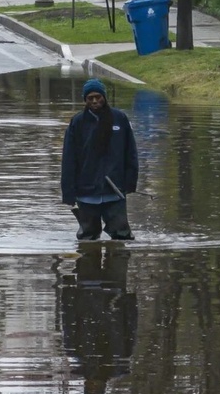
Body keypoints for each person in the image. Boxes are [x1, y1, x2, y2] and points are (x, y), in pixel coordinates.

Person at [61, 79, 138, 240]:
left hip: (115, 191)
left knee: (122, 236)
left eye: (98, 97)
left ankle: (118, 255)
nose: (95, 101)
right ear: (85, 100)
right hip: (86, 191)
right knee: (88, 238)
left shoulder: (120, 119)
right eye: (90, 98)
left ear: (104, 97)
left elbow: (130, 152)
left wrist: (130, 181)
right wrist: (68, 192)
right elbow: (69, 159)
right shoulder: (77, 122)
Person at [58, 243, 137, 393]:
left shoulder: (77, 356)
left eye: (91, 389)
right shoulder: (120, 364)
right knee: (118, 251)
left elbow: (68, 319)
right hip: (114, 293)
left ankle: (95, 236)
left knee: (89, 249)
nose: (94, 387)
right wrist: (130, 302)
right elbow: (131, 330)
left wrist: (67, 290)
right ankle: (110, 237)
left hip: (88, 291)